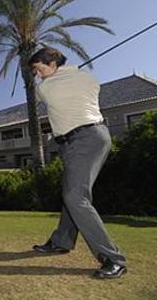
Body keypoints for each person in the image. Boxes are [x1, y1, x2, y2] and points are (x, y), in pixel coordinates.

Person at [29, 47, 127, 279]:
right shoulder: (88, 78)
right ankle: (61, 241)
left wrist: (55, 76)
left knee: (75, 197)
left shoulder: (46, 88)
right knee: (72, 193)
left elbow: (42, 92)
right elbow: (84, 85)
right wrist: (67, 72)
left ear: (52, 63)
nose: (38, 75)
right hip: (90, 138)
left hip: (84, 139)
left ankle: (113, 259)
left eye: (39, 69)